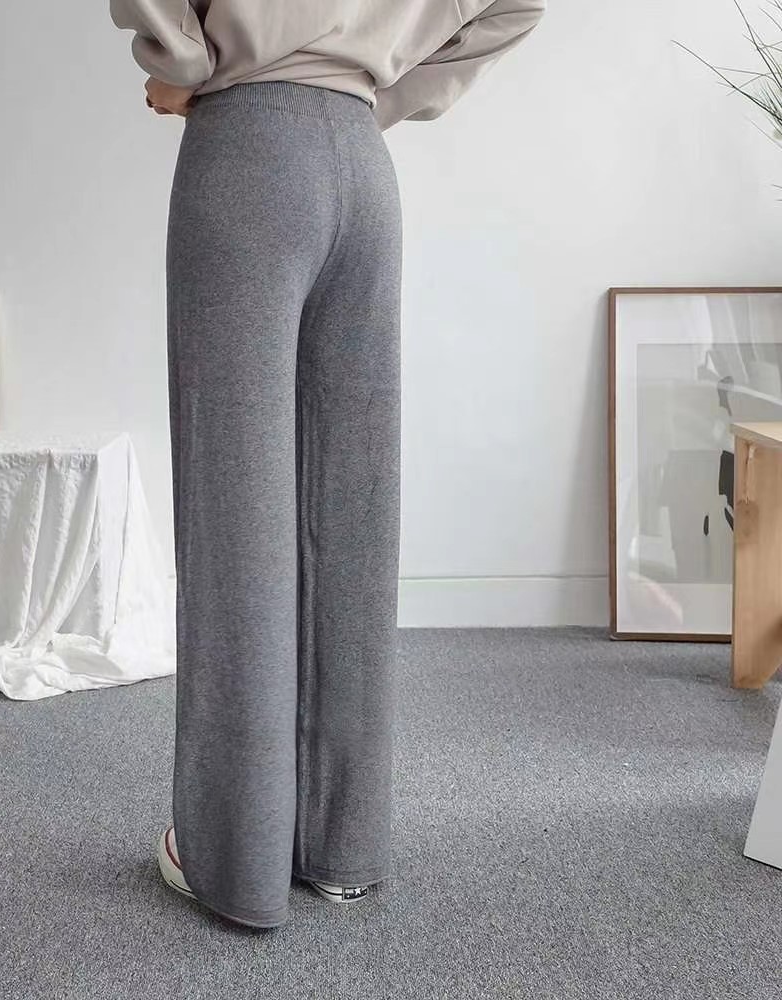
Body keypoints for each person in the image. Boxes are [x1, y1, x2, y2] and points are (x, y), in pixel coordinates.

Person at [108, 0, 548, 930]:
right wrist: (380, 95)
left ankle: (234, 862)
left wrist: (189, 64)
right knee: (351, 513)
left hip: (247, 153)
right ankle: (343, 846)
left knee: (236, 518)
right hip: (362, 167)